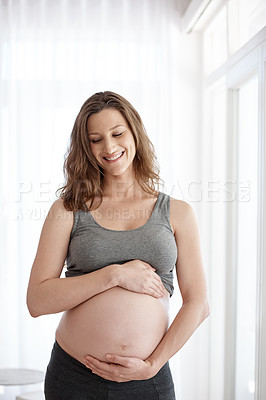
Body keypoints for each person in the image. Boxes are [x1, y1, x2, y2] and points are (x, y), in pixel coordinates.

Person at [27, 91, 209, 400]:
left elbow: (198, 303)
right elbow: (37, 301)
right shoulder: (68, 209)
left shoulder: (177, 212)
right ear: (86, 148)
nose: (109, 147)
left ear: (134, 132)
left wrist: (153, 364)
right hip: (74, 378)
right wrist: (115, 274)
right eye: (95, 140)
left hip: (147, 380)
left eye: (117, 133)